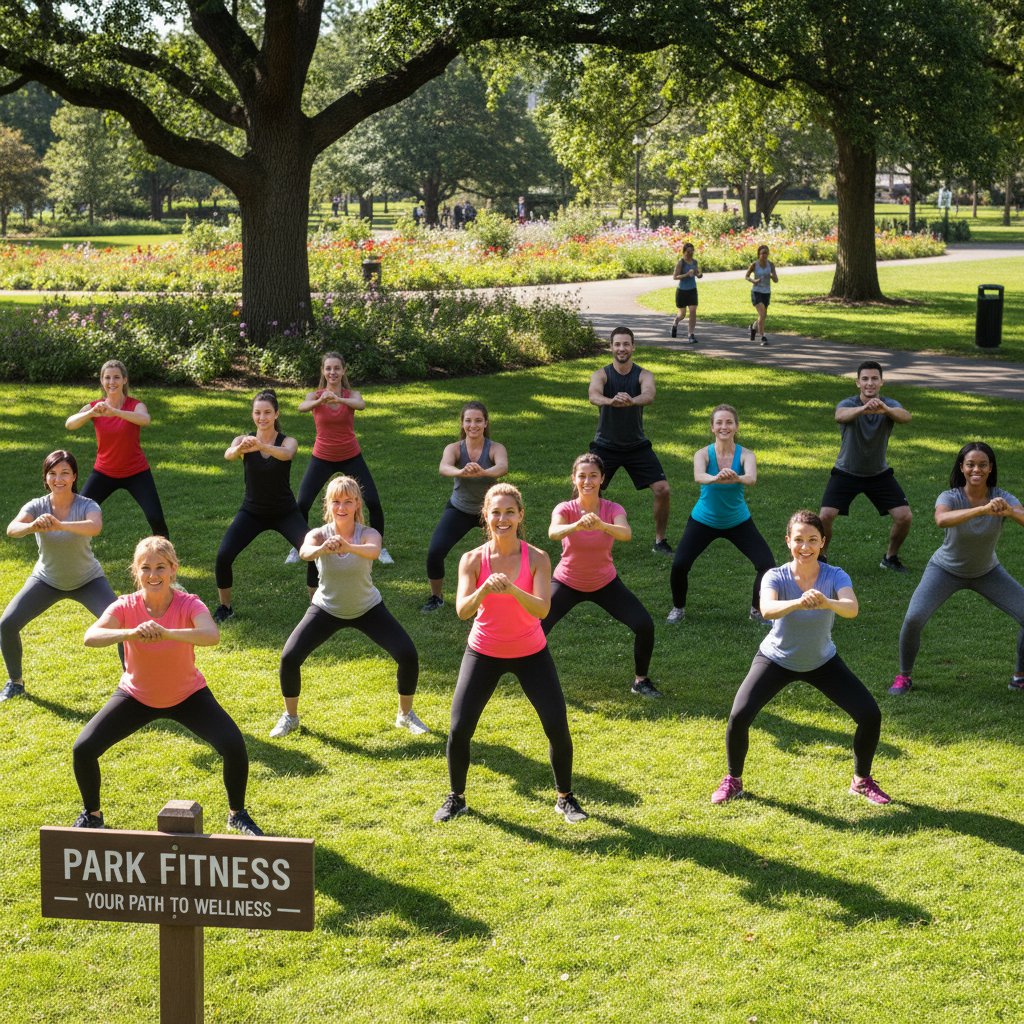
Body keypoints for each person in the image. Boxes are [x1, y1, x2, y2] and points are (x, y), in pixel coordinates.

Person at [72, 536, 263, 834]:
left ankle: (237, 813)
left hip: (188, 695)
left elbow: (211, 635)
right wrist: (132, 632)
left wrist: (167, 633)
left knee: (233, 745)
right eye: (145, 568)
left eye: (161, 567)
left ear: (173, 569)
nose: (153, 575)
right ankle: (92, 815)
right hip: (136, 696)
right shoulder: (125, 605)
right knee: (83, 748)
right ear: (136, 572)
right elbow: (90, 636)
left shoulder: (189, 603)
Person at [710, 510, 890, 806]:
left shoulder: (835, 575)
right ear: (788, 542)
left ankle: (861, 781)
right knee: (739, 716)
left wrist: (825, 601)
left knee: (870, 714)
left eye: (812, 540)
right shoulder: (776, 576)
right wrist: (798, 601)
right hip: (776, 659)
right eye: (798, 540)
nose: (805, 547)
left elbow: (851, 608)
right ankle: (734, 780)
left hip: (821, 661)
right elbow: (766, 609)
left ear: (822, 543)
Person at [433, 484, 586, 824]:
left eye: (509, 512)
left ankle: (565, 798)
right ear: (485, 516)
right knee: (459, 729)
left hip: (531, 652)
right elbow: (461, 610)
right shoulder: (472, 560)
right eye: (496, 512)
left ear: (520, 516)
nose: (502, 518)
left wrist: (513, 589)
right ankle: (456, 798)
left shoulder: (538, 558)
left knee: (557, 727)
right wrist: (485, 588)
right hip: (483, 652)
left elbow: (543, 609)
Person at [272, 475, 427, 738]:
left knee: (407, 654)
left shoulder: (368, 534)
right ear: (328, 505)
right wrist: (323, 548)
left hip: (367, 607)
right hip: (326, 609)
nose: (341, 507)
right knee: (289, 658)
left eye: (348, 501)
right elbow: (304, 553)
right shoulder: (318, 534)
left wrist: (348, 546)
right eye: (336, 502)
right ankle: (291, 716)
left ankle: (405, 715)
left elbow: (374, 551)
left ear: (357, 505)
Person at [890, 442, 1024, 695]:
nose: (977, 469)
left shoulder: (1003, 496)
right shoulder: (950, 496)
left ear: (990, 468)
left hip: (987, 571)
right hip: (945, 570)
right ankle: (904, 676)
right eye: (971, 464)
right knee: (914, 618)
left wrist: (1010, 512)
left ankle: (1019, 676)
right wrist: (982, 509)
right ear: (962, 468)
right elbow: (941, 519)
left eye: (982, 464)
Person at [2, 450, 122, 702]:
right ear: (45, 478)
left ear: (74, 476)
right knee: (6, 625)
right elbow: (12, 529)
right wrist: (32, 526)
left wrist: (59, 524)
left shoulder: (87, 505)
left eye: (65, 473)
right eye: (53, 474)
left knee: (121, 623)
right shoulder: (37, 506)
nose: (59, 479)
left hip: (88, 580)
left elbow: (95, 526)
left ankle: (132, 682)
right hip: (46, 580)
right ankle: (16, 683)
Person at [543, 453, 659, 698]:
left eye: (593, 476)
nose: (588, 481)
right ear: (574, 479)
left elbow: (625, 533)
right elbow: (553, 532)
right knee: (535, 628)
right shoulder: (565, 508)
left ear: (602, 479)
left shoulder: (612, 509)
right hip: (567, 582)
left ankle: (641, 680)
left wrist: (601, 525)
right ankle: (535, 680)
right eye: (582, 476)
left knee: (644, 625)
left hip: (604, 582)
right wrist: (576, 525)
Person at [667, 404, 775, 626]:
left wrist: (735, 476)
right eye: (719, 423)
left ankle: (757, 610)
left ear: (736, 427)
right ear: (712, 428)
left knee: (766, 564)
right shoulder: (702, 454)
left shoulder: (746, 454)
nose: (724, 426)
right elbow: (699, 476)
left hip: (738, 521)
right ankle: (678, 608)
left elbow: (751, 478)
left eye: (729, 422)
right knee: (680, 565)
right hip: (704, 520)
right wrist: (717, 478)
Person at [291, 353, 390, 586]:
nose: (332, 372)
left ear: (343, 371)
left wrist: (339, 399)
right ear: (323, 371)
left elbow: (361, 405)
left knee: (373, 502)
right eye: (328, 369)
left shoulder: (351, 395)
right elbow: (301, 407)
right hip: (322, 457)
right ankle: (300, 547)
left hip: (350, 456)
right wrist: (320, 401)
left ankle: (379, 547)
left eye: (337, 368)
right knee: (302, 503)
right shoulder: (314, 395)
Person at [213, 390, 308, 623]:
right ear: (252, 414)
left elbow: (287, 455)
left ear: (276, 414)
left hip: (285, 512)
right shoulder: (242, 440)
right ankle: (225, 607)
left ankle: (317, 606)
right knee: (223, 556)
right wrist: (240, 448)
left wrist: (262, 446)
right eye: (257, 413)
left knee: (313, 554)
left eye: (267, 412)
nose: (262, 417)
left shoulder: (287, 441)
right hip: (252, 512)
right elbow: (228, 455)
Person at [818, 361, 913, 570]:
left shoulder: (889, 404)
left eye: (874, 379)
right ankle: (821, 558)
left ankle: (890, 558)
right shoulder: (849, 404)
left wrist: (885, 409)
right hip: (846, 472)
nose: (870, 383)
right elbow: (839, 416)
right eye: (865, 379)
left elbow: (906, 417)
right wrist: (863, 409)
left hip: (878, 473)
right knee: (825, 516)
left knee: (904, 517)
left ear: (881, 382)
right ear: (858, 383)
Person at [588, 326, 672, 554]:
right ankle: (588, 538)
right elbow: (593, 395)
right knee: (586, 489)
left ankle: (659, 541)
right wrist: (611, 400)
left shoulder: (643, 374)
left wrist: (631, 401)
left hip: (637, 446)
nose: (621, 348)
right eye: (617, 344)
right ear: (611, 347)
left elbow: (649, 394)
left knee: (662, 489)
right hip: (605, 444)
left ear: (633, 347)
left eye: (626, 344)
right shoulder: (602, 374)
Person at [65, 359, 169, 537]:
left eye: (116, 377)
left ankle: (166, 559)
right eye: (107, 378)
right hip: (104, 472)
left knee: (156, 518)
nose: (111, 382)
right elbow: (69, 424)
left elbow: (145, 419)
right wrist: (91, 413)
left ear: (124, 380)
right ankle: (72, 556)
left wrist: (116, 412)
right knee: (78, 514)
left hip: (136, 472)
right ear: (101, 381)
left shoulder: (135, 405)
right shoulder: (95, 407)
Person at [422, 401, 508, 613]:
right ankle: (436, 597)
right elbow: (444, 467)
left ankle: (509, 592)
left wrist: (483, 472)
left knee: (508, 553)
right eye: (468, 420)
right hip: (459, 509)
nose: (473, 425)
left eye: (478, 420)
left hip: (490, 512)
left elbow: (502, 467)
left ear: (486, 423)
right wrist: (461, 472)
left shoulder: (495, 448)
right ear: (462, 424)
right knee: (435, 552)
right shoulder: (454, 449)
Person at [744, 244, 778, 347]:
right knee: (763, 314)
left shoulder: (771, 265)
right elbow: (746, 276)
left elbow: (776, 280)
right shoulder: (755, 264)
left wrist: (772, 277)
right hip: (756, 292)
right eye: (762, 253)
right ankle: (763, 337)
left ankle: (753, 327)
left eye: (766, 253)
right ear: (759, 254)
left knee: (762, 316)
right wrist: (753, 281)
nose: (764, 255)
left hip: (766, 292)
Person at [671, 242, 702, 343]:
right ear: (684, 252)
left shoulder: (694, 262)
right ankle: (675, 323)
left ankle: (691, 334)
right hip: (682, 291)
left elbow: (697, 272)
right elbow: (675, 277)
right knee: (682, 314)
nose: (690, 253)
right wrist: (686, 274)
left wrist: (699, 274)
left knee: (693, 311)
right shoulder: (681, 262)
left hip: (692, 290)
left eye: (692, 251)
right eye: (688, 252)